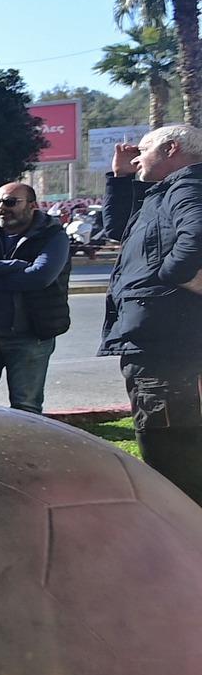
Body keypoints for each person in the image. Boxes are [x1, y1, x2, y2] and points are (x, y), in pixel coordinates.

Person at [101, 125, 202, 501]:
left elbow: (197, 237)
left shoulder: (188, 186)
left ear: (172, 148)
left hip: (167, 347)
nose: (136, 157)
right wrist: (120, 178)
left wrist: (171, 274)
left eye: (144, 150)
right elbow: (118, 229)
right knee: (165, 446)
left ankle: (184, 529)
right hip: (155, 342)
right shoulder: (165, 192)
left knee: (171, 455)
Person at [0, 182, 71, 413]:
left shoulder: (53, 235)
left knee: (26, 406)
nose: (1, 207)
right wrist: (16, 265)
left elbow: (39, 277)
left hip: (31, 335)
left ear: (32, 205)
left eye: (10, 202)